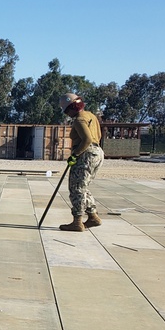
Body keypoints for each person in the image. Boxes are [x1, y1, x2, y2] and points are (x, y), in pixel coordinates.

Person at [59, 92, 104, 232]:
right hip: (97, 153)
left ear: (71, 108)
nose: (67, 114)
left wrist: (76, 154)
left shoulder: (79, 119)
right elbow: (98, 136)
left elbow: (87, 139)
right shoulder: (91, 116)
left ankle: (77, 222)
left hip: (86, 154)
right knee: (83, 187)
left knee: (76, 188)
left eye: (67, 111)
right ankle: (92, 217)